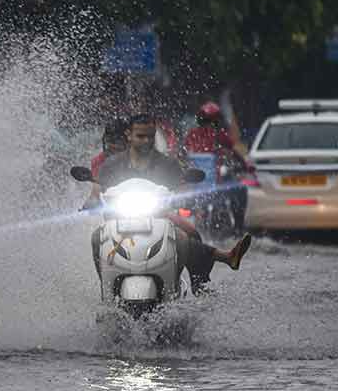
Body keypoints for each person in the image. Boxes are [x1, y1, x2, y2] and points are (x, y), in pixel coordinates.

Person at [94, 113, 252, 293]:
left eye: (150, 136)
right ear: (128, 135)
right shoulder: (112, 164)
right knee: (95, 238)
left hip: (158, 217)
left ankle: (197, 283)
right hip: (118, 221)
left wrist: (184, 199)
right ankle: (106, 289)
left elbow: (182, 187)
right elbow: (98, 191)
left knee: (187, 235)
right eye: (140, 136)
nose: (146, 141)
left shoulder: (168, 164)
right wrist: (93, 202)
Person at [184, 101, 249, 230]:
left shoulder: (191, 134)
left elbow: (183, 153)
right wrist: (244, 165)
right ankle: (238, 227)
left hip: (194, 184)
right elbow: (232, 150)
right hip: (216, 181)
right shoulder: (218, 134)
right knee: (241, 190)